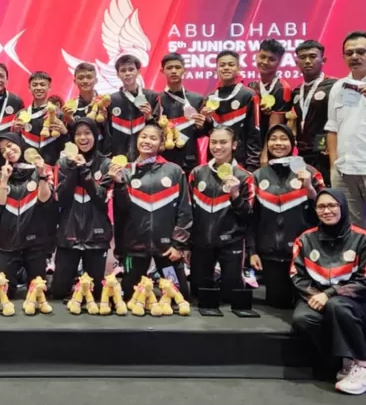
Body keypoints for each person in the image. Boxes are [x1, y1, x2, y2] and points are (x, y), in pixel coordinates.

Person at [291, 188, 366, 395]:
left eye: (332, 205)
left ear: (343, 207)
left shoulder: (362, 239)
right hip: (315, 295)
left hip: (355, 299)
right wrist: (316, 296)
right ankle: (342, 360)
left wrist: (330, 294)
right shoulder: (305, 239)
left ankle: (361, 363)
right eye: (321, 207)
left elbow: (364, 280)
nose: (327, 211)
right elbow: (297, 276)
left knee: (337, 305)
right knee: (303, 318)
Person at [112, 122, 192, 300]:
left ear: (162, 144)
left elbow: (184, 211)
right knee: (128, 297)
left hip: (167, 249)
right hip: (135, 248)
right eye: (143, 137)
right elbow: (121, 213)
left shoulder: (174, 171)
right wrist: (119, 184)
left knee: (179, 296)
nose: (147, 141)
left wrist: (178, 245)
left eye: (153, 138)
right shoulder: (126, 172)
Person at [248, 124, 324, 308]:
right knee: (278, 305)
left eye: (283, 139)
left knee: (305, 307)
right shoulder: (257, 176)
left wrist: (309, 188)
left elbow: (325, 212)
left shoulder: (311, 173)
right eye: (273, 139)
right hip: (270, 256)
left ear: (292, 143)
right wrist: (252, 251)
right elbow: (251, 219)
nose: (278, 143)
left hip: (303, 256)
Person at [188, 126, 254, 303]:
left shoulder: (245, 177)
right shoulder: (197, 173)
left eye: (223, 142)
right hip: (201, 243)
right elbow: (189, 211)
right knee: (198, 295)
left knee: (230, 297)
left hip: (231, 242)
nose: (217, 147)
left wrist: (235, 195)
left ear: (234, 145)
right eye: (214, 142)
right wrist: (187, 243)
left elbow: (249, 215)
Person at [51, 118, 111, 300]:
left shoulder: (106, 164)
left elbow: (101, 199)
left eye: (87, 133)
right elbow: (61, 199)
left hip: (97, 236)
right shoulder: (62, 163)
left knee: (96, 294)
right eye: (78, 134)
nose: (83, 138)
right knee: (59, 292)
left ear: (96, 135)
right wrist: (72, 169)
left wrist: (84, 170)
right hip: (68, 234)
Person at [0, 132, 55, 297]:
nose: (7, 151)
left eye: (9, 145)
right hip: (8, 243)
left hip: (35, 242)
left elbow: (45, 200)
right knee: (6, 294)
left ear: (19, 143)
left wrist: (42, 175)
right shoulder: (0, 175)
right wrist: (4, 179)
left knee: (38, 293)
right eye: (2, 150)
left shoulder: (42, 169)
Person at [325, 31, 366, 228]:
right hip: (345, 171)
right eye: (349, 53)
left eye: (361, 52)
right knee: (354, 230)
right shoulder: (338, 87)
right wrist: (334, 167)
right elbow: (332, 128)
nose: (355, 56)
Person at [203, 50, 261, 171]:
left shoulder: (249, 95)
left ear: (238, 68)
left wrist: (252, 165)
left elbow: (254, 133)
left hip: (242, 162)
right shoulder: (210, 98)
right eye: (222, 65)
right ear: (216, 69)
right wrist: (206, 121)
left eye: (231, 64)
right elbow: (208, 133)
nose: (226, 68)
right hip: (215, 160)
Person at [292, 40, 337, 186]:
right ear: (296, 62)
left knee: (327, 193)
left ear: (323, 60)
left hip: (325, 153)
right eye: (302, 57)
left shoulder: (335, 86)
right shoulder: (296, 91)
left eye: (312, 56)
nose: (307, 61)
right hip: (303, 154)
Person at [158, 53, 209, 175]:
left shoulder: (197, 99)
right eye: (169, 68)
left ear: (185, 70)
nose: (173, 71)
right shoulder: (156, 99)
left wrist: (202, 125)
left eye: (177, 67)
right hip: (162, 158)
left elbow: (203, 132)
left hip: (189, 159)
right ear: (162, 71)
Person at [106, 55, 160, 161]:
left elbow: (159, 131)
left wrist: (149, 117)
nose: (127, 73)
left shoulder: (151, 97)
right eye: (123, 70)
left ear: (138, 72)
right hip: (119, 159)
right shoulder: (111, 100)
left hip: (146, 157)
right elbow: (108, 133)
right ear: (117, 74)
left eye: (131, 69)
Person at [248, 39, 293, 150]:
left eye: (272, 59)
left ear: (280, 61)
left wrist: (265, 154)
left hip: (271, 149)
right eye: (262, 57)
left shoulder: (282, 88)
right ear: (256, 56)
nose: (265, 62)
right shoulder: (251, 86)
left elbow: (275, 131)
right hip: (251, 148)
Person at [15, 71, 67, 166]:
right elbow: (15, 143)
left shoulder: (58, 114)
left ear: (49, 87)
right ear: (29, 88)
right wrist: (15, 131)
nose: (38, 88)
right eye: (34, 85)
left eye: (42, 85)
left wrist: (64, 132)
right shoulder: (21, 114)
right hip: (26, 166)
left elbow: (65, 144)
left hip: (49, 167)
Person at [62, 62, 110, 154]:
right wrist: (70, 122)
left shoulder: (105, 102)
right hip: (78, 156)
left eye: (89, 77)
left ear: (96, 80)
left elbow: (113, 133)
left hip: (102, 155)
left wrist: (105, 122)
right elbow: (69, 137)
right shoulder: (70, 106)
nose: (85, 81)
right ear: (75, 81)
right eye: (80, 78)